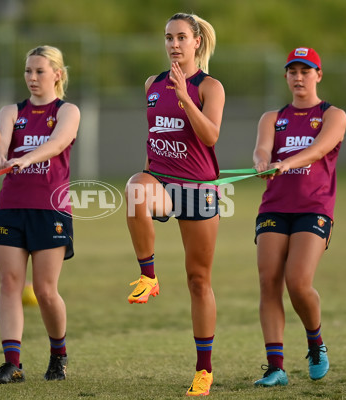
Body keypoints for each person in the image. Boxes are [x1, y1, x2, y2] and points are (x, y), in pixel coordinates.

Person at [125, 13, 224, 397]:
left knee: (199, 282)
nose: (174, 44)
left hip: (199, 189)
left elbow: (211, 136)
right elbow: (153, 138)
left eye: (182, 37)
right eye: (169, 37)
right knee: (135, 188)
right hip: (162, 181)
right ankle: (148, 275)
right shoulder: (151, 83)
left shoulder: (209, 87)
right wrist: (151, 172)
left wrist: (185, 97)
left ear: (197, 41)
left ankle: (204, 370)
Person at [251, 47, 346, 386]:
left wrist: (287, 162)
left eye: (306, 71)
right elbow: (263, 147)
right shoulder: (272, 117)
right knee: (269, 283)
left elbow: (320, 148)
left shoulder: (333, 115)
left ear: (318, 75)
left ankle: (315, 342)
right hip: (274, 207)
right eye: (293, 71)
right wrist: (263, 161)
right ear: (286, 76)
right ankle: (275, 366)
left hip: (314, 208)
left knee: (298, 282)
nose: (299, 77)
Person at [0, 45, 79, 384]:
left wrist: (26, 157)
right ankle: (13, 363)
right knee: (9, 283)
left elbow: (58, 143)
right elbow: (1, 142)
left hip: (50, 209)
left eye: (40, 71)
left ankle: (59, 355)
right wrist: (0, 157)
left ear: (57, 74)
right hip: (10, 207)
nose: (32, 78)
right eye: (28, 71)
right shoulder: (12, 110)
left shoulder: (67, 110)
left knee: (44, 289)